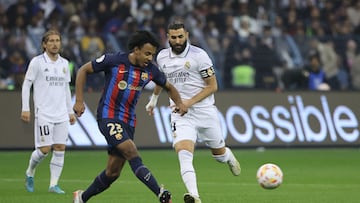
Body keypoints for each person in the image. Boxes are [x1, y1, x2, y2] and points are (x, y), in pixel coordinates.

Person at [72, 30, 187, 203]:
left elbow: (169, 87)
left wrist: (180, 103)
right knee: (131, 150)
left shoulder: (151, 71)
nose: (150, 58)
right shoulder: (114, 60)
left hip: (128, 122)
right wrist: (79, 101)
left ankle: (81, 198)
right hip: (108, 116)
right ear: (136, 50)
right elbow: (83, 70)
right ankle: (161, 193)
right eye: (147, 54)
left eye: (152, 55)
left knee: (112, 172)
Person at [145, 20, 241, 203]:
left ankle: (228, 156)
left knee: (219, 155)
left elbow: (213, 86)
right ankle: (194, 196)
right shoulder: (162, 57)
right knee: (183, 152)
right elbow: (161, 80)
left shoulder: (200, 56)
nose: (178, 40)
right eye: (173, 37)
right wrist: (154, 99)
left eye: (181, 36)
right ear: (168, 38)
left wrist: (189, 102)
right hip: (180, 113)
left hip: (205, 111)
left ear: (187, 35)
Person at [21, 29, 76, 194]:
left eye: (57, 40)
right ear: (44, 44)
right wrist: (25, 108)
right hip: (44, 112)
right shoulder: (37, 62)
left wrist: (70, 111)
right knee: (44, 150)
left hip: (61, 114)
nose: (54, 44)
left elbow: (66, 88)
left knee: (60, 148)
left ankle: (53, 185)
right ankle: (30, 172)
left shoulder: (65, 63)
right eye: (51, 41)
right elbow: (26, 85)